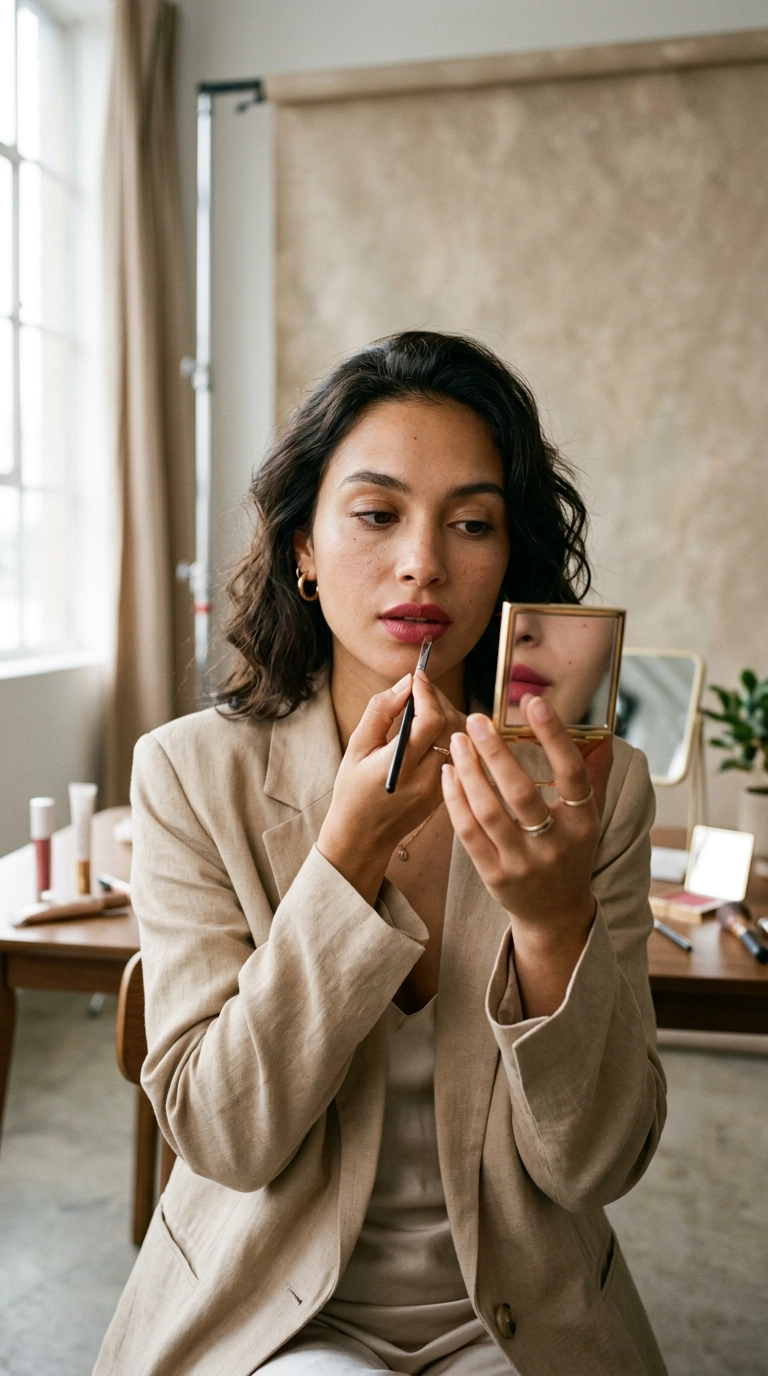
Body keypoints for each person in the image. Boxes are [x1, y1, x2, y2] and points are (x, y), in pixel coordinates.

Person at [94, 332, 667, 1376]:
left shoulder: (600, 788)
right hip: (272, 1311)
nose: (423, 562)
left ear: (508, 560)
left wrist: (550, 921)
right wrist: (345, 861)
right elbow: (226, 1137)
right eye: (376, 512)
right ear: (303, 547)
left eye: (472, 522)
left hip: (519, 1316)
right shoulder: (188, 772)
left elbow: (597, 1162)